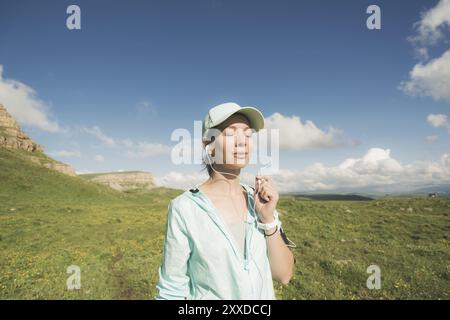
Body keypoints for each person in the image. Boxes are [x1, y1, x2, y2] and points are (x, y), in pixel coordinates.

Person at [155, 102, 295, 300]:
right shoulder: (184, 208)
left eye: (247, 135)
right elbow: (171, 290)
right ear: (209, 146)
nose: (242, 141)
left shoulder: (259, 202)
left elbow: (284, 275)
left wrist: (268, 218)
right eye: (230, 134)